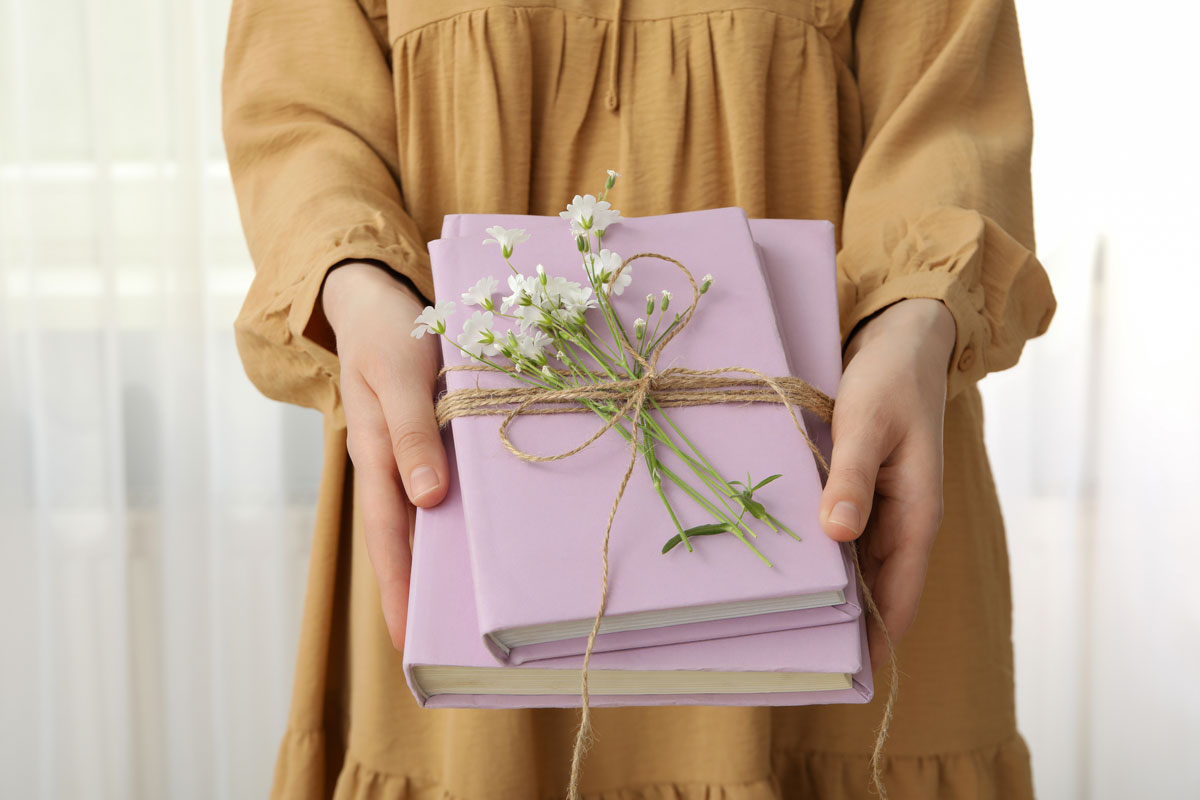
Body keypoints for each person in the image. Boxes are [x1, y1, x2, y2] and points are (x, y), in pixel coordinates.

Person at [222, 0, 1056, 797]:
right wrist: (355, 280)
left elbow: (947, 106)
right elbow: (298, 111)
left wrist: (915, 315)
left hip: (853, 457)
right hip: (457, 480)